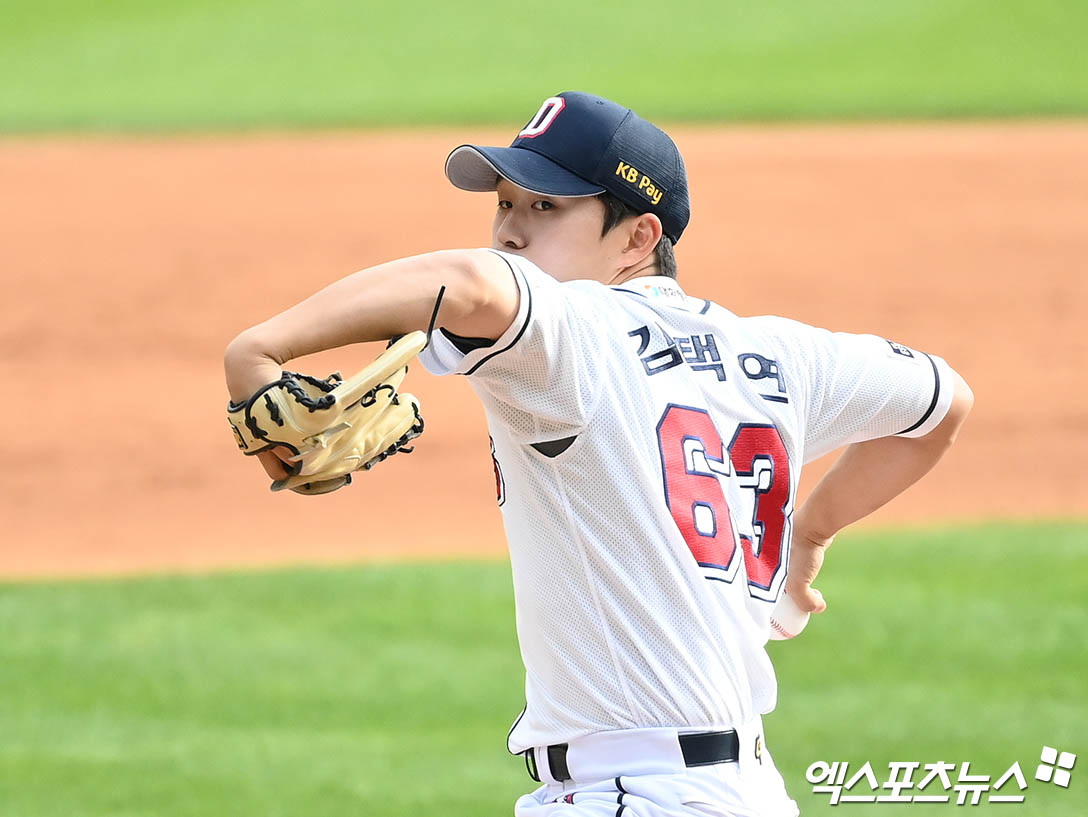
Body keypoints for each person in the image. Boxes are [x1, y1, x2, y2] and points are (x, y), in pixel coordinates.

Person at [224, 91, 974, 816]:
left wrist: (258, 348)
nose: (511, 230)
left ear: (639, 238)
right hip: (742, 791)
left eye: (546, 207)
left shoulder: (574, 335)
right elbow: (941, 403)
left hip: (631, 795)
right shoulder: (778, 353)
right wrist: (806, 535)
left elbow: (478, 284)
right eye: (505, 204)